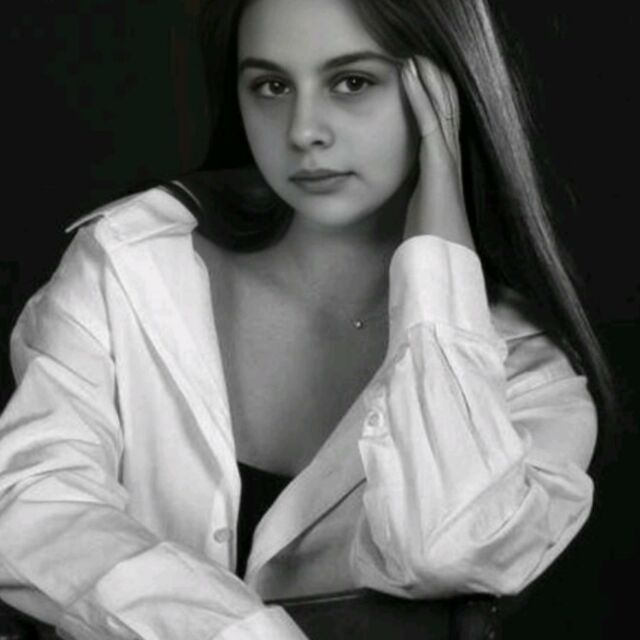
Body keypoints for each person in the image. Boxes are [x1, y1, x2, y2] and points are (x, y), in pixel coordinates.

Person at [0, 0, 614, 638]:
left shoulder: (528, 379)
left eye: (353, 82)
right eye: (271, 86)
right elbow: (28, 503)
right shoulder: (131, 264)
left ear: (446, 93)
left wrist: (437, 262)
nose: (303, 131)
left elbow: (446, 547)